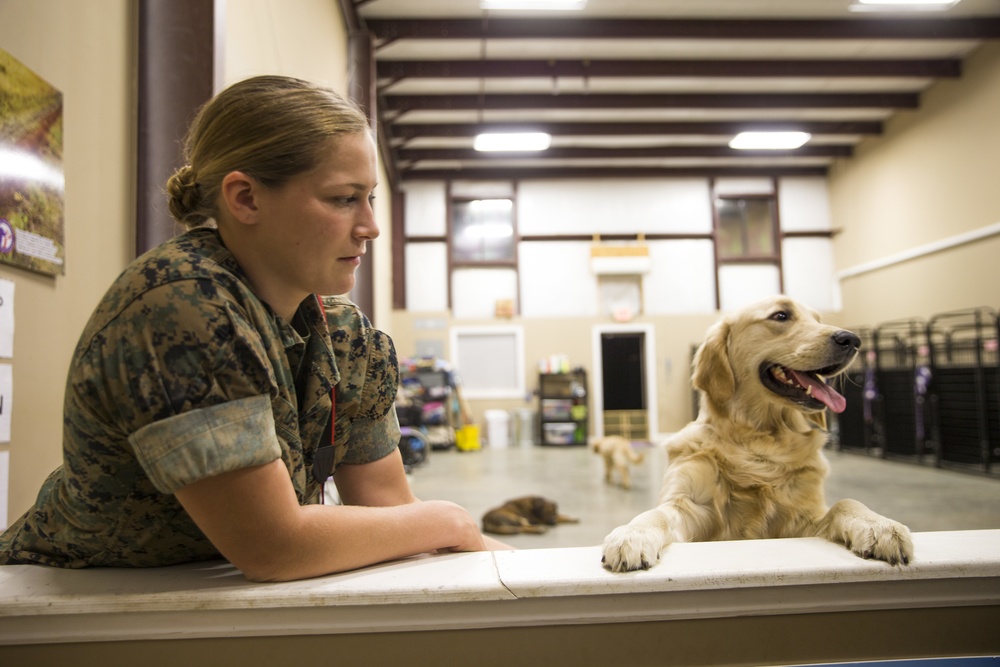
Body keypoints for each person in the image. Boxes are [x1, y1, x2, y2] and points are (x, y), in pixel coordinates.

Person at [0, 75, 510, 581]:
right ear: (245, 198)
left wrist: (511, 563)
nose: (370, 226)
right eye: (342, 198)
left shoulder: (344, 337)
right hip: (66, 609)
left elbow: (388, 508)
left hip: (216, 602)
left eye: (370, 197)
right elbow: (274, 547)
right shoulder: (181, 307)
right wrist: (451, 521)